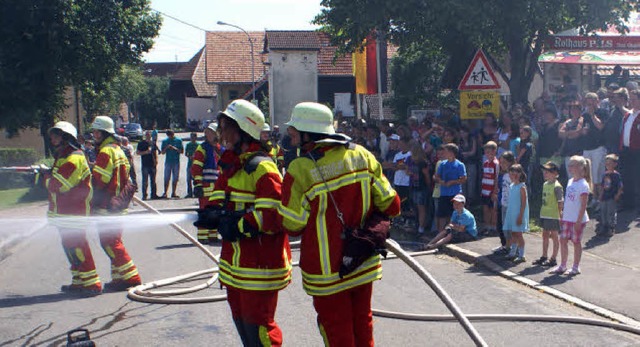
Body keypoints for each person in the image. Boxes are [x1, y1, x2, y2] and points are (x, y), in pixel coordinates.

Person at [280, 102, 400, 347]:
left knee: (337, 333)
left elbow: (292, 224)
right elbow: (392, 205)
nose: (290, 136)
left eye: (294, 131)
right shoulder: (361, 155)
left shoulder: (300, 168)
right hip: (362, 260)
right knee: (362, 327)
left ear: (308, 134)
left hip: (326, 272)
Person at [194, 100, 291, 346]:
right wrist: (212, 213)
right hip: (235, 265)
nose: (221, 133)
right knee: (243, 328)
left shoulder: (262, 168)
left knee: (259, 330)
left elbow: (273, 214)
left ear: (243, 131)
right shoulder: (231, 164)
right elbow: (219, 195)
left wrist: (236, 225)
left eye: (226, 127)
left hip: (259, 265)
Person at [45, 121, 102, 296]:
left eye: (57, 134)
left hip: (74, 211)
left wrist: (44, 178)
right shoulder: (63, 156)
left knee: (78, 245)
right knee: (69, 245)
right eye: (53, 135)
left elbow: (60, 185)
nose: (53, 138)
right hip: (63, 211)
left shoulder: (74, 157)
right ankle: (79, 280)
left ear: (66, 137)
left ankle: (92, 283)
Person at [90, 116, 142, 291]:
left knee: (109, 243)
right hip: (118, 205)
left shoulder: (106, 152)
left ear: (105, 133)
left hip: (106, 206)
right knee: (115, 241)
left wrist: (89, 178)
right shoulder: (118, 150)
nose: (94, 135)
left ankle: (131, 276)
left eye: (97, 132)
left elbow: (101, 179)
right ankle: (118, 278)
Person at [551, 155, 591, 276]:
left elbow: (583, 205)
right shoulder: (570, 181)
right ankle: (563, 265)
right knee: (562, 240)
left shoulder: (583, 184)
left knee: (576, 242)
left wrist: (579, 221)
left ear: (580, 167)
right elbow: (569, 200)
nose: (569, 167)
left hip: (577, 220)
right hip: (567, 218)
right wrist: (562, 213)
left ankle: (576, 266)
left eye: (572, 165)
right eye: (569, 165)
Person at [191, 122, 222, 244]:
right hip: (205, 186)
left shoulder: (219, 148)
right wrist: (198, 184)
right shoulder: (202, 148)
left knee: (215, 212)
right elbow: (196, 168)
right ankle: (203, 236)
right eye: (207, 132)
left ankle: (213, 234)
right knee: (205, 211)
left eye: (211, 132)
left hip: (217, 187)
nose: (208, 135)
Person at [533, 162, 563, 267]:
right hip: (545, 213)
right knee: (545, 235)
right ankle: (544, 256)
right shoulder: (545, 184)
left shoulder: (557, 186)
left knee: (554, 236)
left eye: (547, 172)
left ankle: (553, 258)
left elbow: (560, 202)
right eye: (544, 172)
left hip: (553, 215)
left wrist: (560, 215)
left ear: (555, 173)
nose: (544, 174)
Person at [434, 143, 467, 232]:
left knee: (453, 215)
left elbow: (463, 179)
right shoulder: (442, 164)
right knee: (442, 215)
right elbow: (436, 176)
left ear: (452, 153)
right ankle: (440, 233)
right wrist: (441, 182)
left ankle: (451, 233)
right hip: (444, 193)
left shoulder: (460, 165)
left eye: (446, 151)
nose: (444, 153)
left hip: (455, 194)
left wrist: (453, 182)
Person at [503, 164, 529, 263]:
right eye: (510, 173)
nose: (511, 175)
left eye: (514, 173)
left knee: (519, 234)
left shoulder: (522, 187)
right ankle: (513, 252)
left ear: (519, 174)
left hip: (519, 214)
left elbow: (523, 203)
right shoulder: (512, 185)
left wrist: (521, 216)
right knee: (513, 233)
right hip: (512, 213)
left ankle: (521, 255)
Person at [620, 89, 640, 211]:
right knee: (626, 177)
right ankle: (628, 203)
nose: (631, 102)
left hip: (637, 151)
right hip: (626, 150)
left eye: (634, 99)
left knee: (637, 177)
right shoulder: (628, 114)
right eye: (630, 99)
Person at [493, 151, 516, 255]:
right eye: (500, 162)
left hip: (511, 205)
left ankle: (513, 248)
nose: (502, 165)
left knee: (510, 228)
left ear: (511, 162)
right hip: (502, 202)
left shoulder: (514, 175)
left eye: (504, 162)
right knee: (501, 226)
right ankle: (506, 245)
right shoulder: (502, 174)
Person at [559, 99, 585, 178]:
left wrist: (567, 133)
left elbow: (577, 133)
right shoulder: (567, 122)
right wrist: (570, 134)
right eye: (572, 109)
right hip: (568, 153)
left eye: (576, 109)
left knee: (579, 175)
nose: (574, 111)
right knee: (570, 176)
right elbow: (560, 133)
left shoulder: (582, 120)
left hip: (579, 152)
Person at [599, 154, 623, 236]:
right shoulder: (604, 174)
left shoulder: (616, 175)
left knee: (611, 212)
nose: (607, 165)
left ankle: (611, 227)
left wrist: (617, 195)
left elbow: (620, 187)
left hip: (611, 197)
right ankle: (604, 227)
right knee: (603, 212)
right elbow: (602, 186)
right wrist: (600, 195)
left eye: (609, 163)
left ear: (615, 164)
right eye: (606, 163)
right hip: (604, 197)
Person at [480, 141, 499, 235]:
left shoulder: (496, 163)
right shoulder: (485, 163)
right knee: (485, 208)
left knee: (493, 210)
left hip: (492, 191)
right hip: (485, 191)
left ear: (495, 151)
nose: (488, 155)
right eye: (486, 152)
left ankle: (493, 227)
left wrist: (494, 192)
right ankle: (486, 226)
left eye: (490, 152)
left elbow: (496, 178)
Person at [160, 129, 184, 198]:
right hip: (168, 161)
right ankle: (165, 192)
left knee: (175, 178)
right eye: (169, 135)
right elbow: (162, 152)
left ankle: (174, 192)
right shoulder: (165, 141)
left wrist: (174, 148)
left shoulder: (178, 141)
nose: (170, 136)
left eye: (171, 135)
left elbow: (182, 151)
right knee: (166, 177)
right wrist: (167, 147)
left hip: (176, 161)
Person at [136, 130, 158, 200]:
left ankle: (153, 195)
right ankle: (144, 195)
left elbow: (155, 152)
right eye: (147, 135)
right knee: (145, 181)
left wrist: (156, 160)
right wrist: (145, 152)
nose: (148, 136)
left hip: (152, 164)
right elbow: (138, 152)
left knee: (153, 181)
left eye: (149, 135)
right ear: (145, 135)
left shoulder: (153, 143)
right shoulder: (141, 143)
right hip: (145, 164)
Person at [184, 132, 199, 198]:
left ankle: (196, 192)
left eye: (193, 137)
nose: (192, 138)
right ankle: (189, 193)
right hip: (189, 164)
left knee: (196, 179)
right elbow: (186, 153)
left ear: (196, 138)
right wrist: (189, 156)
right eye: (191, 137)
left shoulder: (198, 145)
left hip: (196, 165)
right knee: (188, 179)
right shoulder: (188, 145)